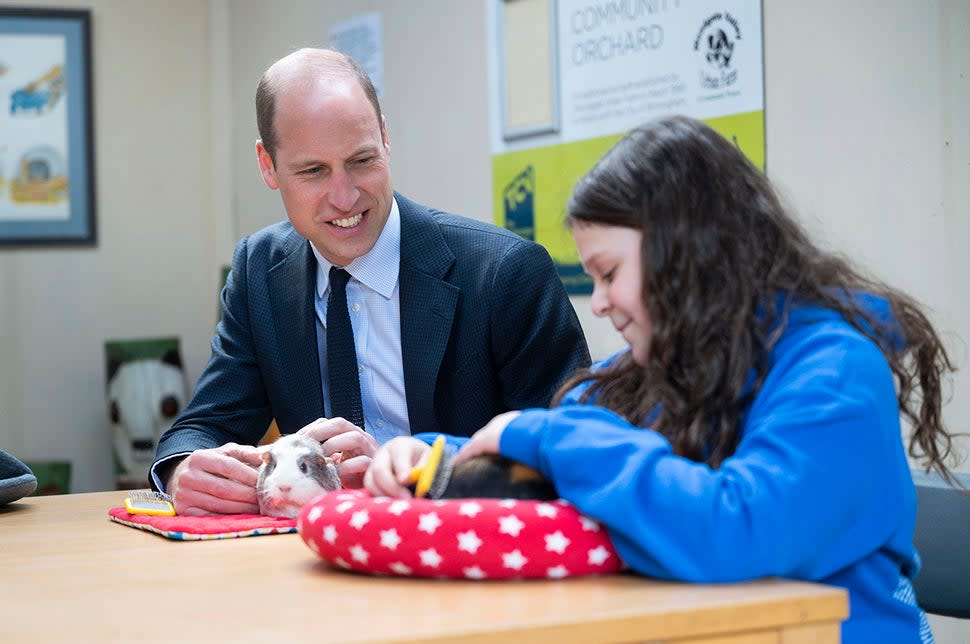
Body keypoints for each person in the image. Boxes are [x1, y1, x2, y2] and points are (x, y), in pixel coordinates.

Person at [364, 115, 960, 643]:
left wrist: (541, 436)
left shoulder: (836, 375)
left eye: (609, 273)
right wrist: (434, 458)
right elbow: (549, 448)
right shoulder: (649, 367)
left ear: (689, 254)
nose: (598, 303)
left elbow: (737, 528)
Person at [150, 48, 590, 515]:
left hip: (466, 562)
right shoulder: (259, 270)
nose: (345, 197)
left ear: (384, 137)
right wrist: (183, 471)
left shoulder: (506, 272)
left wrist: (416, 473)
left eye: (361, 160)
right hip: (317, 562)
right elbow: (204, 425)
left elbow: (573, 452)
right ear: (267, 166)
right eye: (313, 171)